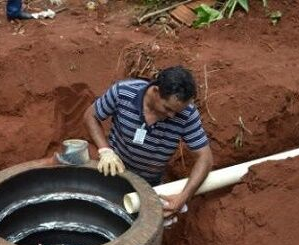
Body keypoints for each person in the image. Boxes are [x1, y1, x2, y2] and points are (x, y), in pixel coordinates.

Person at [83, 65, 214, 218]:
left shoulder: (187, 114)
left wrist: (183, 197)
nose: (172, 116)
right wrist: (105, 151)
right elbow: (90, 116)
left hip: (151, 185)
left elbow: (205, 158)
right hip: (113, 173)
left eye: (176, 112)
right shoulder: (123, 92)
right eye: (167, 108)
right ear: (156, 91)